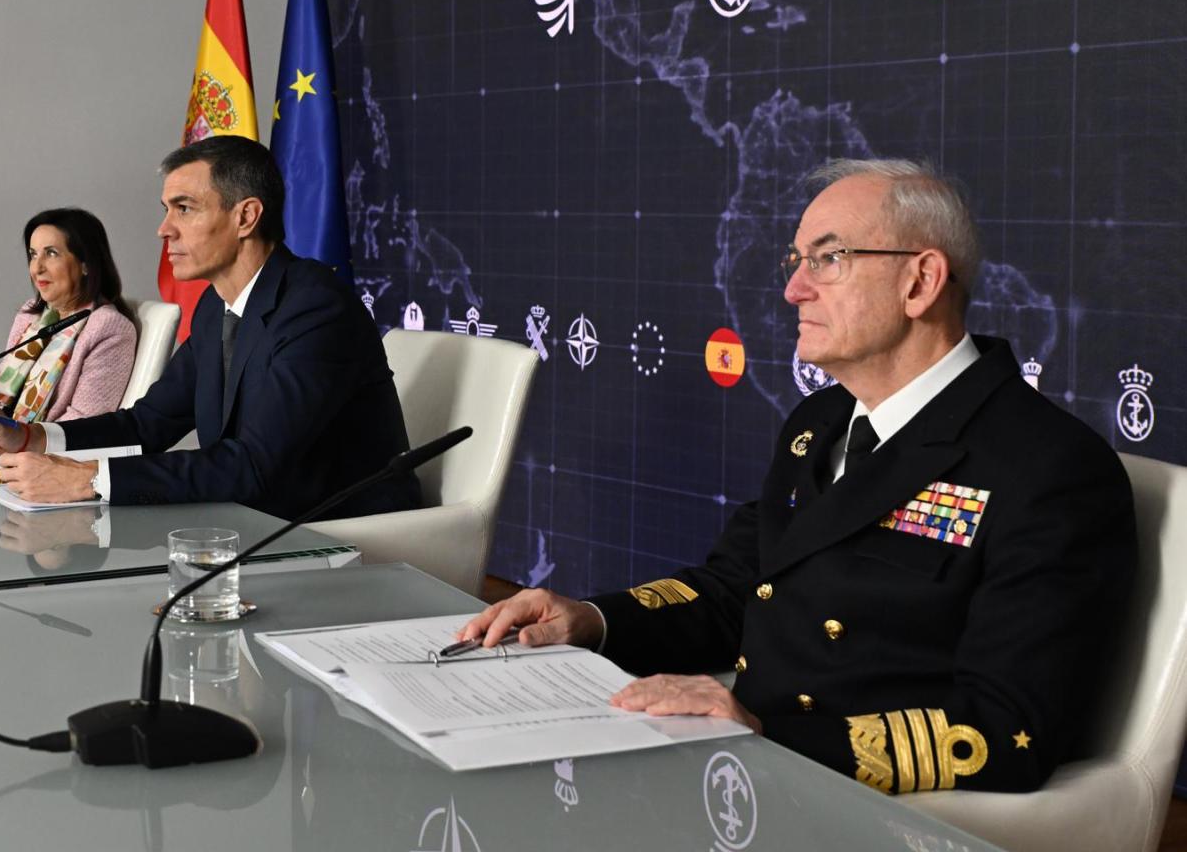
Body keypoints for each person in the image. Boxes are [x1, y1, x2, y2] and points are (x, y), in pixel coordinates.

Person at [457, 158, 1134, 794]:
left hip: (858, 799)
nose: (793, 289)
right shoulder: (821, 421)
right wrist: (595, 620)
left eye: (828, 260)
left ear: (921, 282)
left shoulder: (1049, 467)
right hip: (742, 762)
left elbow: (1008, 727)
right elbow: (736, 588)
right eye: (797, 261)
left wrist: (766, 735)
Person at [0, 136, 420, 519]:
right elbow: (148, 424)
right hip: (250, 519)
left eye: (184, 208)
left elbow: (255, 464)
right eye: (166, 209)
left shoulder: (316, 308)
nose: (164, 229)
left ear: (245, 217)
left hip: (336, 532)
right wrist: (30, 437)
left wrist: (87, 479)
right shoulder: (216, 307)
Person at [0, 207, 137, 439]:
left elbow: (86, 422)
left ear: (86, 263)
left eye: (51, 253)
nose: (37, 268)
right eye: (33, 254)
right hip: (6, 445)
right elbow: (1, 393)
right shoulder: (30, 316)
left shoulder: (109, 328)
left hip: (49, 454)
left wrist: (19, 440)